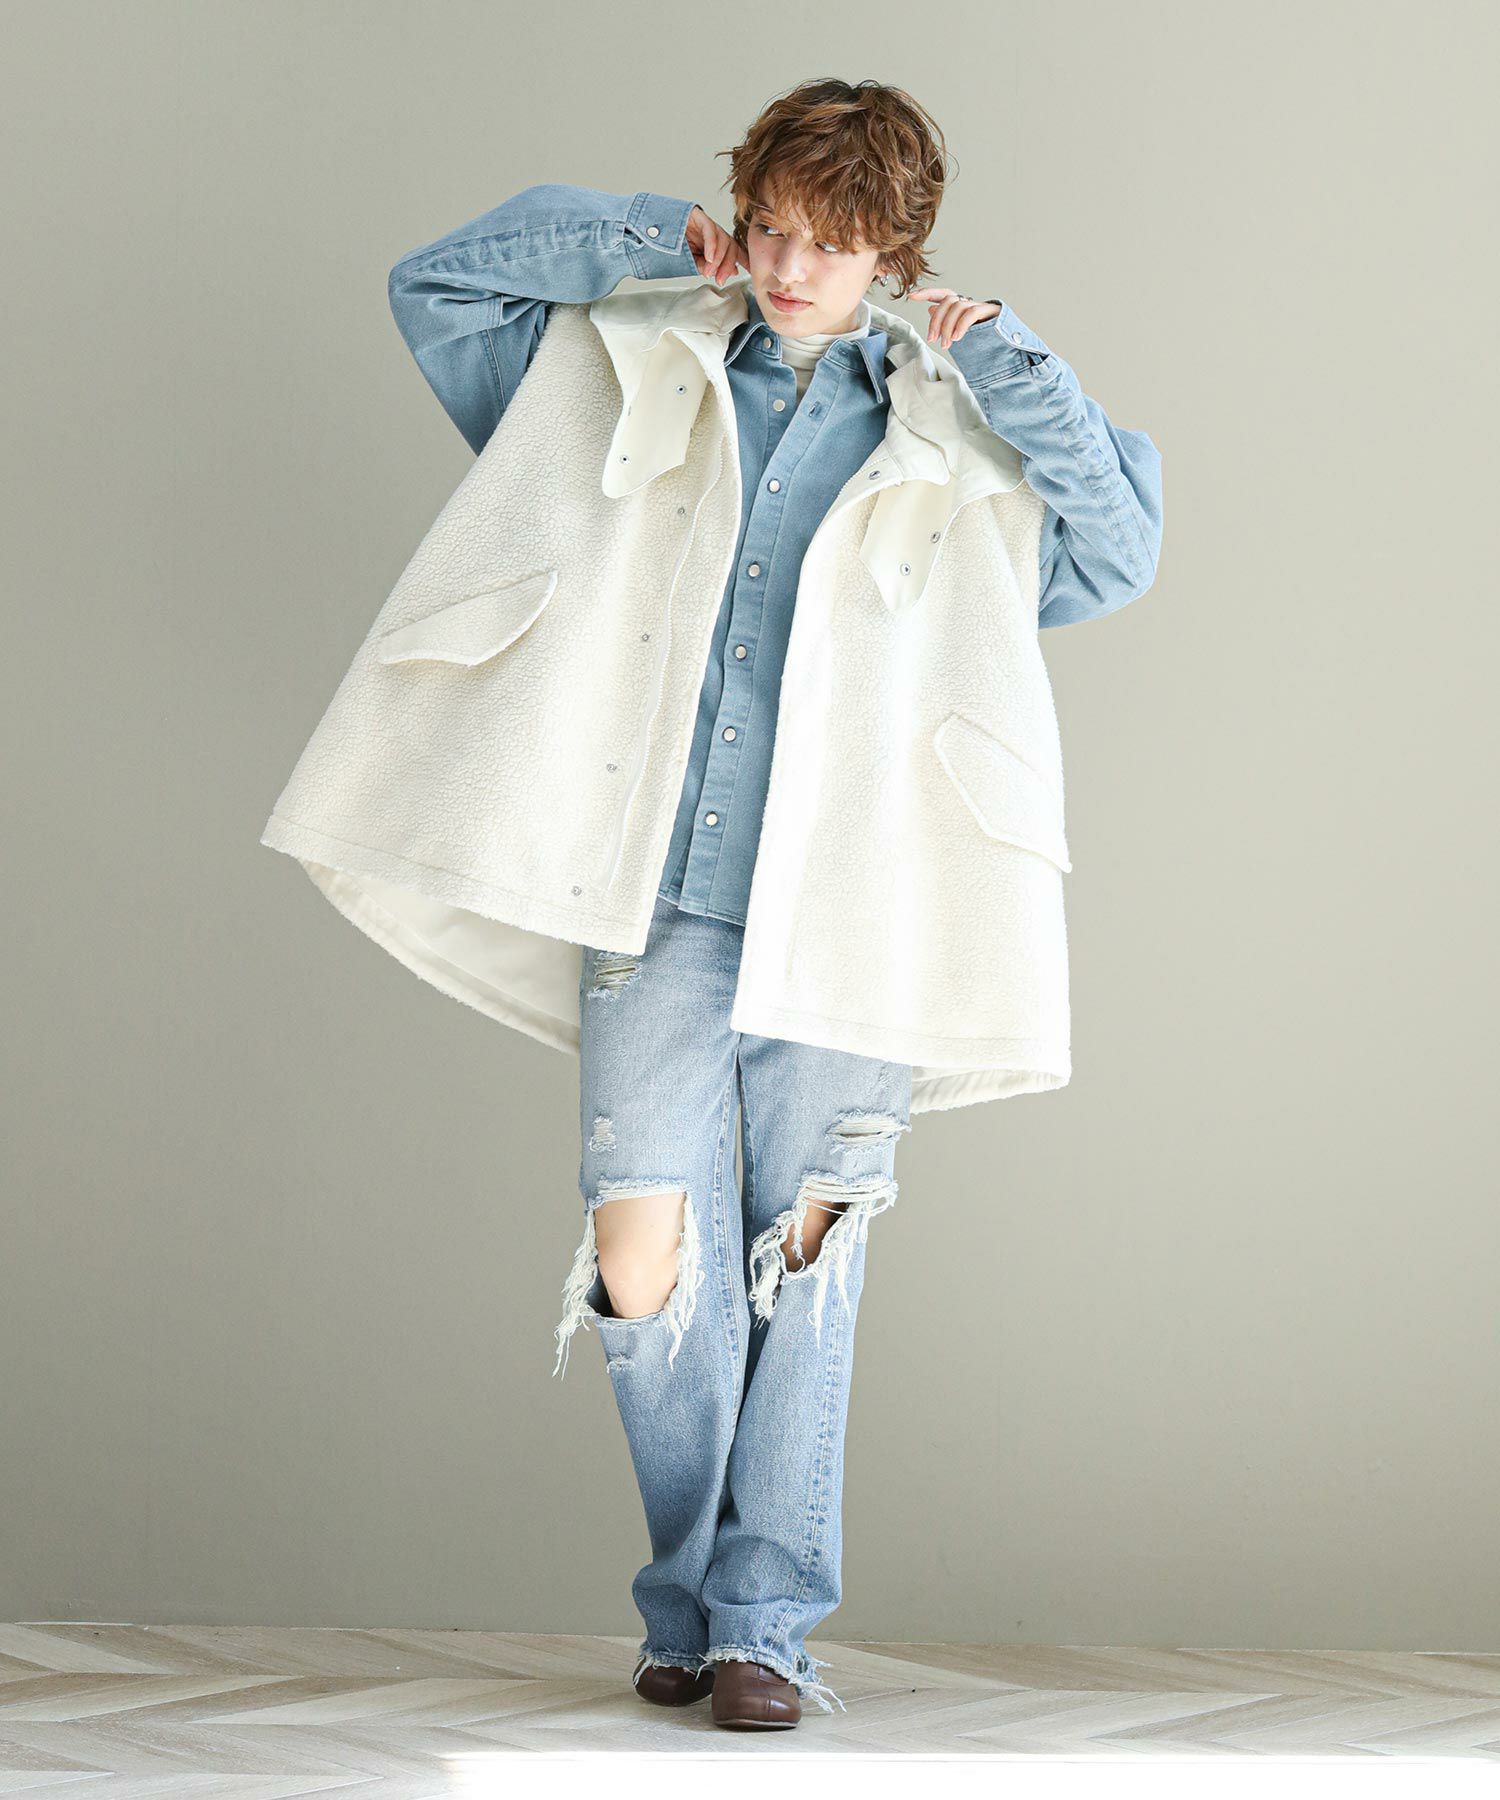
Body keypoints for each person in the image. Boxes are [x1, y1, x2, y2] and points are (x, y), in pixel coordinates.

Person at [265, 77, 1162, 1730]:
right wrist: (638, 236)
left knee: (806, 1256)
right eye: (768, 228)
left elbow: (1112, 552)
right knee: (644, 1257)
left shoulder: (957, 414)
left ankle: (757, 1630)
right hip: (656, 895)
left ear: (896, 251)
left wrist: (1014, 361)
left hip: (858, 907)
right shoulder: (627, 356)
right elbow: (437, 288)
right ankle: (691, 1588)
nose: (788, 268)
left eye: (829, 242)